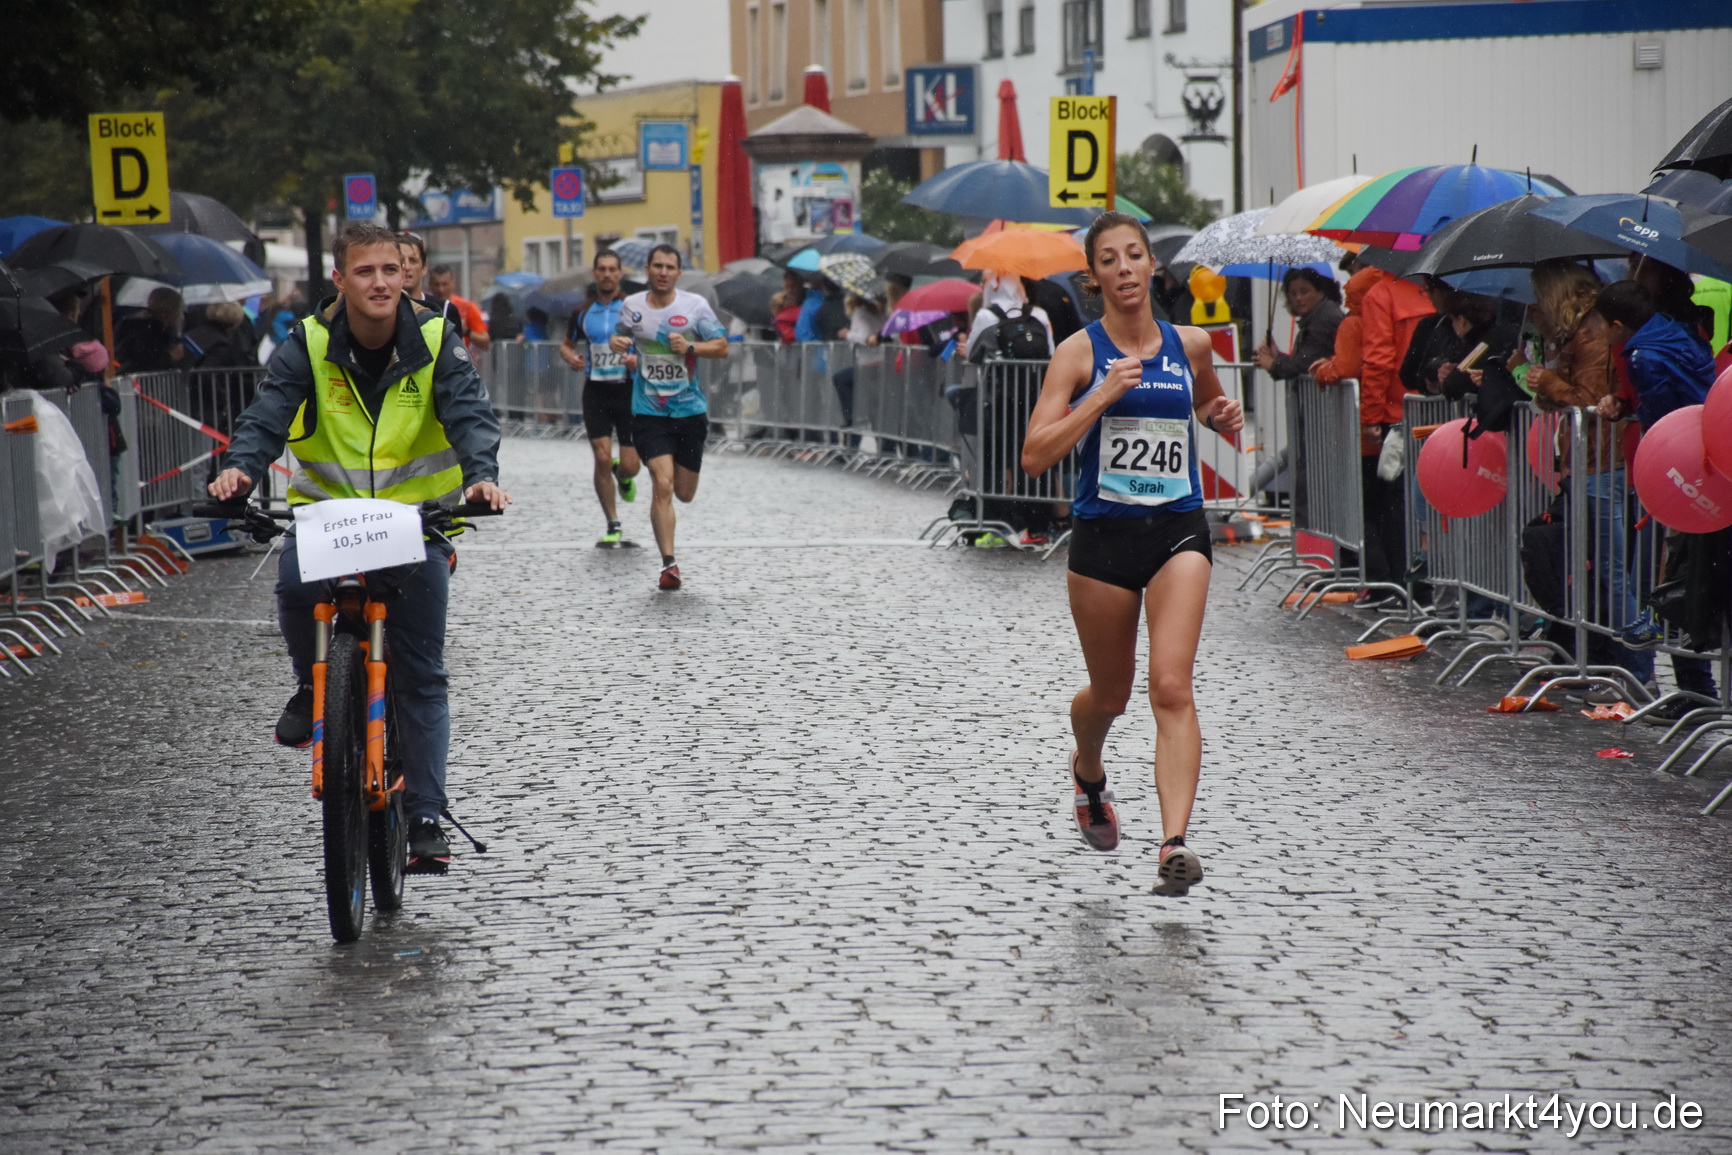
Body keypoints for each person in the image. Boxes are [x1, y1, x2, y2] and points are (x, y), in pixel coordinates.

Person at [209, 221, 510, 870]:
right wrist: (240, 468)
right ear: (340, 280)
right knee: (290, 586)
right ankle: (312, 690)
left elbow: (469, 414)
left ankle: (426, 814)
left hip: (417, 524)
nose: (379, 282)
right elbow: (267, 415)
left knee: (422, 672)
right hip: (328, 522)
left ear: (406, 277)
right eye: (364, 272)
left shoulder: (435, 337)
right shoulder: (309, 343)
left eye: (388, 271)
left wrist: (482, 476)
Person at [1019, 212, 1244, 896]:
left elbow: (1206, 402)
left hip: (1177, 529)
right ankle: (1088, 766)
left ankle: (1174, 841)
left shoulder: (1191, 342)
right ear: (1094, 277)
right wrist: (1102, 396)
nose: (1123, 268)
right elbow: (1034, 456)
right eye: (1109, 259)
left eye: (1134, 255)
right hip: (1103, 540)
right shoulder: (1078, 354)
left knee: (1171, 686)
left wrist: (1221, 416)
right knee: (1111, 695)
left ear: (1152, 267)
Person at [1591, 279, 1720, 708]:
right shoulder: (1677, 332)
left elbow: (1663, 420)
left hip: (1685, 472)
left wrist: (1633, 416)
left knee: (1682, 576)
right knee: (1694, 574)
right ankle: (1695, 687)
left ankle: (1696, 690)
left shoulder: (1644, 357)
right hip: (1713, 462)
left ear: (1616, 324)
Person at [608, 244, 729, 590]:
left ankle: (668, 554)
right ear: (647, 269)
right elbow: (621, 336)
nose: (663, 272)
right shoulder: (631, 307)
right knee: (662, 484)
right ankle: (669, 564)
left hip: (690, 410)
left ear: (678, 272)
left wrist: (691, 347)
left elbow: (722, 346)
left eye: (670, 267)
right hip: (649, 410)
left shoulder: (695, 307)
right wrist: (619, 344)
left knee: (685, 493)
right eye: (657, 265)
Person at [559, 249, 640, 544]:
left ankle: (624, 472)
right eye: (602, 269)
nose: (607, 274)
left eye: (612, 269)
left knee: (631, 465)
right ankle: (613, 523)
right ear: (595, 274)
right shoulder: (582, 311)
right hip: (595, 392)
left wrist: (635, 359)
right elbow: (565, 344)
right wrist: (571, 357)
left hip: (627, 391)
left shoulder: (633, 310)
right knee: (602, 458)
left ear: (620, 274)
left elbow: (647, 344)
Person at [1252, 268, 1342, 380]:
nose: (1298, 298)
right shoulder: (1316, 317)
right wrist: (1276, 355)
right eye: (1293, 294)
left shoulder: (1324, 320)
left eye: (1304, 292)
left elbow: (1302, 367)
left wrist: (1272, 364)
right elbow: (1301, 361)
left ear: (1321, 292)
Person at [396, 232, 466, 344]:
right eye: (401, 261)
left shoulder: (445, 309)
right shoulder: (384, 309)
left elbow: (458, 356)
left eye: (413, 260)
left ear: (424, 268)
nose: (406, 267)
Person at [115, 287, 186, 372]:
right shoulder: (148, 332)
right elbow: (145, 363)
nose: (180, 316)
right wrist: (170, 357)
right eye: (179, 310)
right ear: (169, 311)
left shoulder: (142, 327)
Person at [427, 265, 491, 354]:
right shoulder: (424, 305)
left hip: (457, 360)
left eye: (445, 284)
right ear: (430, 284)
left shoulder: (467, 307)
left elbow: (485, 343)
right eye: (436, 284)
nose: (441, 289)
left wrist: (466, 331)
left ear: (453, 283)